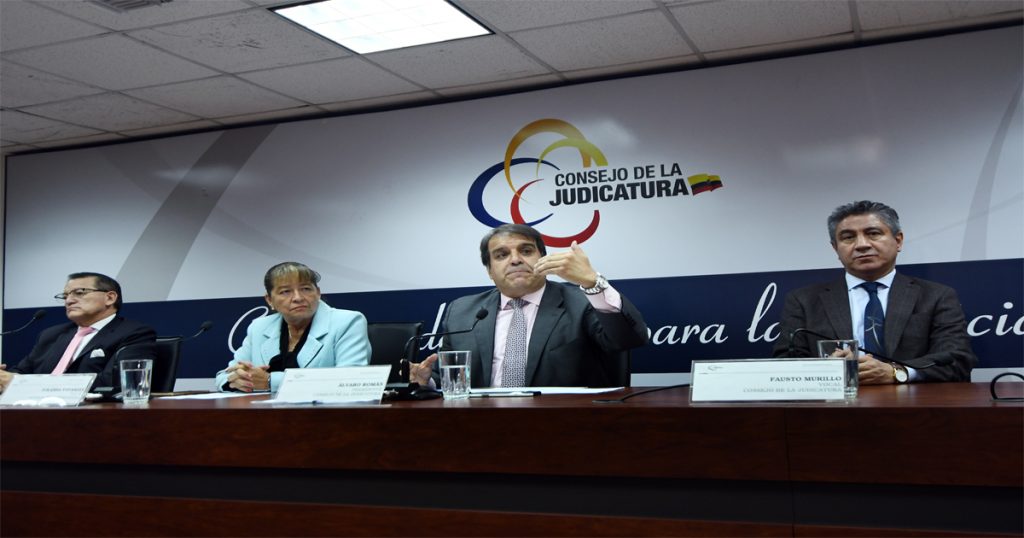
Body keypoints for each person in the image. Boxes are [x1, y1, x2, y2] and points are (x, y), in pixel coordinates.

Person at [409, 224, 648, 388]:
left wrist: (593, 282)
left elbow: (629, 339)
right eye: (501, 255)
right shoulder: (462, 311)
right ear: (490, 271)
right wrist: (427, 381)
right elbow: (453, 379)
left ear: (543, 259)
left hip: (565, 425)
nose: (515, 259)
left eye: (526, 251)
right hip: (482, 424)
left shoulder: (582, 302)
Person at [772, 200, 976, 383]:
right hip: (836, 407)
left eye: (873, 234)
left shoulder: (937, 296)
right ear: (835, 248)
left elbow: (957, 360)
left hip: (914, 407)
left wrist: (896, 372)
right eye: (848, 237)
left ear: (898, 240)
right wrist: (827, 369)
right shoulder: (804, 301)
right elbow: (784, 365)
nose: (861, 245)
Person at [217, 262, 371, 392]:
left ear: (318, 293)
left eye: (306, 289)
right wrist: (238, 380)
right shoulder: (259, 327)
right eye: (285, 292)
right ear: (269, 300)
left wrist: (270, 381)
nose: (298, 298)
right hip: (266, 414)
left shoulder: (347, 321)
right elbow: (224, 376)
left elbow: (350, 379)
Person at [0, 272, 156, 391]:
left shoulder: (134, 333)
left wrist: (23, 383)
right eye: (65, 296)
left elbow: (116, 382)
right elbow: (22, 371)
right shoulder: (51, 334)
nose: (69, 300)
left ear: (109, 298)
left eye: (80, 292)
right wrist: (4, 378)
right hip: (33, 411)